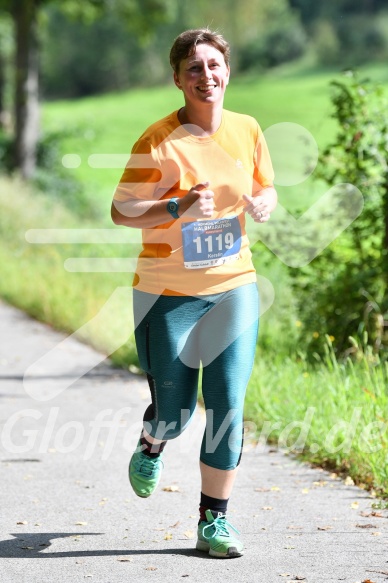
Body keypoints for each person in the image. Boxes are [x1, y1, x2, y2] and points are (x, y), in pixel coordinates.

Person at [111, 28, 277, 559]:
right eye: (193, 68)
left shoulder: (247, 129)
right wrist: (179, 207)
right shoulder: (157, 140)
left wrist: (264, 202)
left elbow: (263, 183)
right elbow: (122, 211)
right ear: (178, 79)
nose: (206, 76)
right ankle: (152, 441)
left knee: (228, 404)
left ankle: (213, 523)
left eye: (214, 65)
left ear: (227, 71)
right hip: (167, 293)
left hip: (234, 286)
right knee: (177, 413)